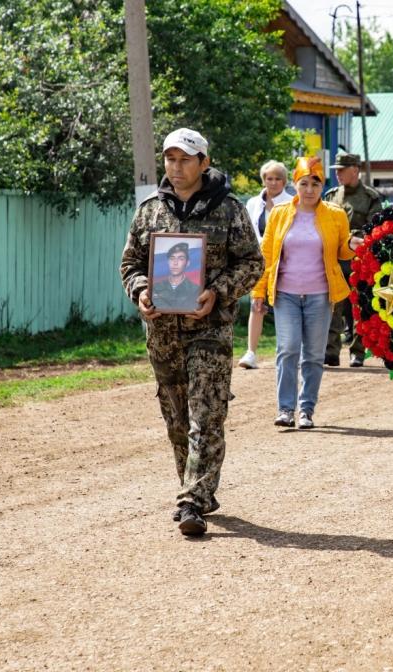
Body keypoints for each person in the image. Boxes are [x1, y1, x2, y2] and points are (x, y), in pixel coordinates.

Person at [119, 127, 264, 536]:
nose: (176, 166)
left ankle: (192, 501)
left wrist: (217, 292)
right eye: (169, 158)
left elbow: (252, 263)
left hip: (210, 330)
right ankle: (194, 486)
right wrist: (142, 290)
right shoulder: (150, 211)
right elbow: (129, 263)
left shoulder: (230, 210)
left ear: (204, 162)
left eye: (184, 159)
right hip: (162, 332)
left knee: (207, 412)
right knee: (176, 417)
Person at [251, 156, 356, 430]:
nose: (309, 189)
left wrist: (354, 245)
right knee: (287, 349)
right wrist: (258, 291)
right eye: (304, 183)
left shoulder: (336, 215)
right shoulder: (280, 213)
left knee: (313, 354)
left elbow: (343, 251)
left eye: (315, 184)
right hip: (285, 293)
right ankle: (285, 409)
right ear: (295, 184)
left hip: (320, 295)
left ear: (323, 186)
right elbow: (268, 255)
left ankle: (306, 410)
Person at [323, 151, 382, 368]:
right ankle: (331, 352)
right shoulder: (330, 196)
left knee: (360, 308)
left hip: (361, 261)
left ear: (355, 170)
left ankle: (357, 352)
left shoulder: (371, 197)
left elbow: (375, 229)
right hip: (335, 261)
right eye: (336, 171)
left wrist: (351, 239)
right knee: (333, 307)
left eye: (341, 170)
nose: (337, 174)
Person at [238, 160, 292, 369]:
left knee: (284, 304)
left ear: (285, 181)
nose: (273, 182)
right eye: (269, 178)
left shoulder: (291, 202)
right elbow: (248, 231)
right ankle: (251, 352)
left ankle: (288, 351)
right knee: (257, 304)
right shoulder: (253, 203)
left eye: (278, 178)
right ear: (263, 180)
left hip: (284, 261)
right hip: (260, 262)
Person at [152, 242, 201, 311]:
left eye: (181, 259)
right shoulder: (155, 288)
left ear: (187, 263)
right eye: (172, 258)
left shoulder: (196, 289)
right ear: (168, 262)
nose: (175, 263)